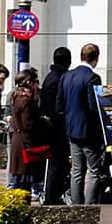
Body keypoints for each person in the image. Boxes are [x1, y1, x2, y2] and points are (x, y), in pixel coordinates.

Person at [58, 43, 106, 206]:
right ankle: (90, 205)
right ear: (96, 59)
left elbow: (60, 105)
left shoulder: (66, 76)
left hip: (71, 129)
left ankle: (77, 205)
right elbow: (94, 107)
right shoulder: (93, 77)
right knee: (94, 170)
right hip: (89, 131)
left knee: (77, 171)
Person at [39, 47, 73, 204]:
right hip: (56, 128)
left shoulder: (51, 77)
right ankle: (52, 196)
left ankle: (54, 193)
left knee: (57, 163)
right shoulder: (60, 78)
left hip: (51, 126)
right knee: (56, 163)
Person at [6, 68, 47, 197]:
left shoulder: (16, 97)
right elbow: (28, 125)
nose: (37, 85)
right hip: (26, 143)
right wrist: (45, 122)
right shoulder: (27, 102)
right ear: (29, 83)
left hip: (18, 141)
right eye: (35, 82)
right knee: (25, 179)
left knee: (19, 178)